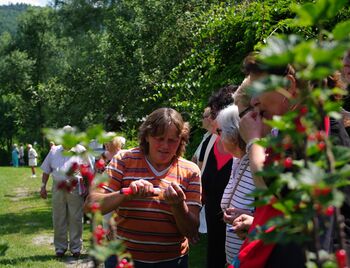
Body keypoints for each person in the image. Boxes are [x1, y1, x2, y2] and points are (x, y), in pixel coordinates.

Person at [86, 108, 201, 268]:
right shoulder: (123, 160)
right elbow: (91, 205)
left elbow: (191, 231)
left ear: (181, 140)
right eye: (159, 138)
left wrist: (178, 205)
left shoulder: (190, 171)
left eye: (172, 140)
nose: (165, 146)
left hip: (172, 261)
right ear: (147, 136)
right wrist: (126, 194)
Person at [40, 125, 90, 258]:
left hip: (75, 186)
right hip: (58, 186)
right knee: (58, 216)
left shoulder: (81, 150)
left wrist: (89, 190)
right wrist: (43, 186)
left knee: (76, 217)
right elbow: (46, 170)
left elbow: (88, 172)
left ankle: (76, 248)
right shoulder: (54, 150)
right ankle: (60, 248)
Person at [200, 85, 236, 268]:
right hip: (214, 232)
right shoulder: (210, 141)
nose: (211, 120)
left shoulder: (245, 151)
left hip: (238, 233)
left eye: (214, 115)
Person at [216, 104, 255, 264]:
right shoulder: (237, 160)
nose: (219, 137)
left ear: (233, 134)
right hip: (235, 258)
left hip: (252, 258)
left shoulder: (258, 161)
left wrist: (252, 219)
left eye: (220, 131)